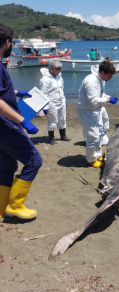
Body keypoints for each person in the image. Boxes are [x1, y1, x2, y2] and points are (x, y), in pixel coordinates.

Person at [0, 23, 42, 220]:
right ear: (7, 42)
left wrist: (16, 92)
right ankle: (15, 205)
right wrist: (23, 120)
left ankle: (1, 208)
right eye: (12, 43)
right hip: (4, 124)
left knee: (6, 166)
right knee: (34, 159)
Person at [77, 60, 119, 168]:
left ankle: (97, 155)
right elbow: (93, 100)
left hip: (95, 109)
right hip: (86, 110)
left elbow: (100, 94)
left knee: (100, 133)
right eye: (109, 75)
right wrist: (108, 100)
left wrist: (108, 97)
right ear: (102, 73)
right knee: (93, 136)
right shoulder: (91, 81)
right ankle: (91, 159)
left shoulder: (101, 79)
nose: (111, 78)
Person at [40, 59, 71, 145]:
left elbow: (61, 90)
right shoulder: (45, 79)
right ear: (53, 68)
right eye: (58, 68)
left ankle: (63, 136)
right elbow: (44, 94)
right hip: (52, 103)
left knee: (62, 119)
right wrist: (45, 107)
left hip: (60, 102)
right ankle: (51, 138)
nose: (60, 70)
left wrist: (64, 100)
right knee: (53, 121)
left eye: (60, 68)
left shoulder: (59, 77)